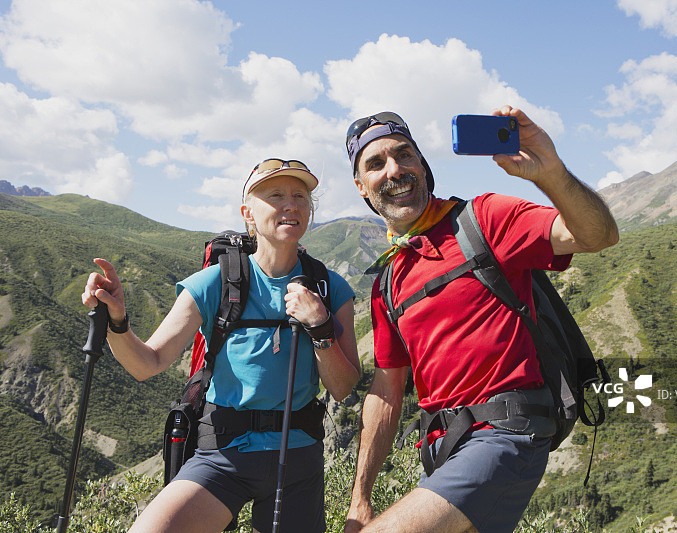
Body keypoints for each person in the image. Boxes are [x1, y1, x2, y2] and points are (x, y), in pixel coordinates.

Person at [343, 107, 619, 533]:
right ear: (362, 186)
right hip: (442, 454)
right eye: (376, 163)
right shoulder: (387, 281)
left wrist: (550, 172)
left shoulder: (482, 219)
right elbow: (386, 389)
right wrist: (360, 498)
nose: (395, 169)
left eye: (405, 155)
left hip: (506, 433)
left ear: (423, 163)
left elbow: (597, 235)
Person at [81, 158, 361, 533]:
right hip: (222, 454)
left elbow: (343, 387)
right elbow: (146, 363)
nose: (290, 205)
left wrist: (319, 324)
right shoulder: (215, 283)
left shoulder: (330, 288)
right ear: (248, 213)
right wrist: (117, 321)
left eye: (300, 196)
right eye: (275, 195)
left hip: (296, 457)